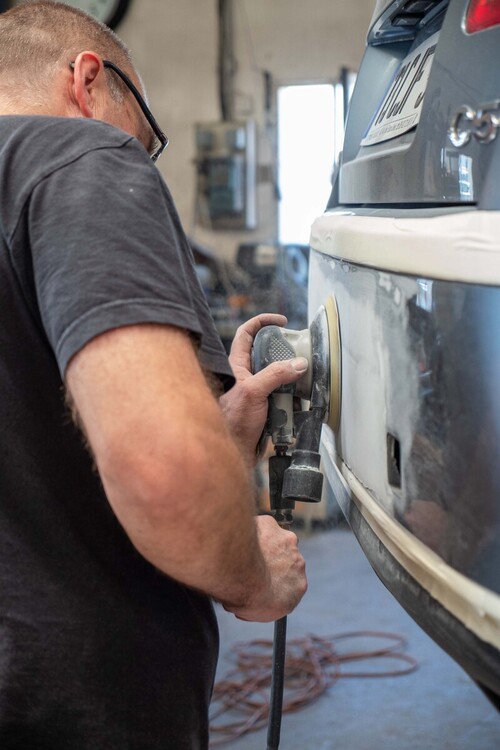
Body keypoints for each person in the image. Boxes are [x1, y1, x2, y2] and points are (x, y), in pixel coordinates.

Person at [0, 2, 308, 748]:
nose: (143, 151)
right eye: (147, 130)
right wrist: (253, 577)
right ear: (89, 81)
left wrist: (220, 438)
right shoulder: (78, 157)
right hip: (71, 708)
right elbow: (161, 471)